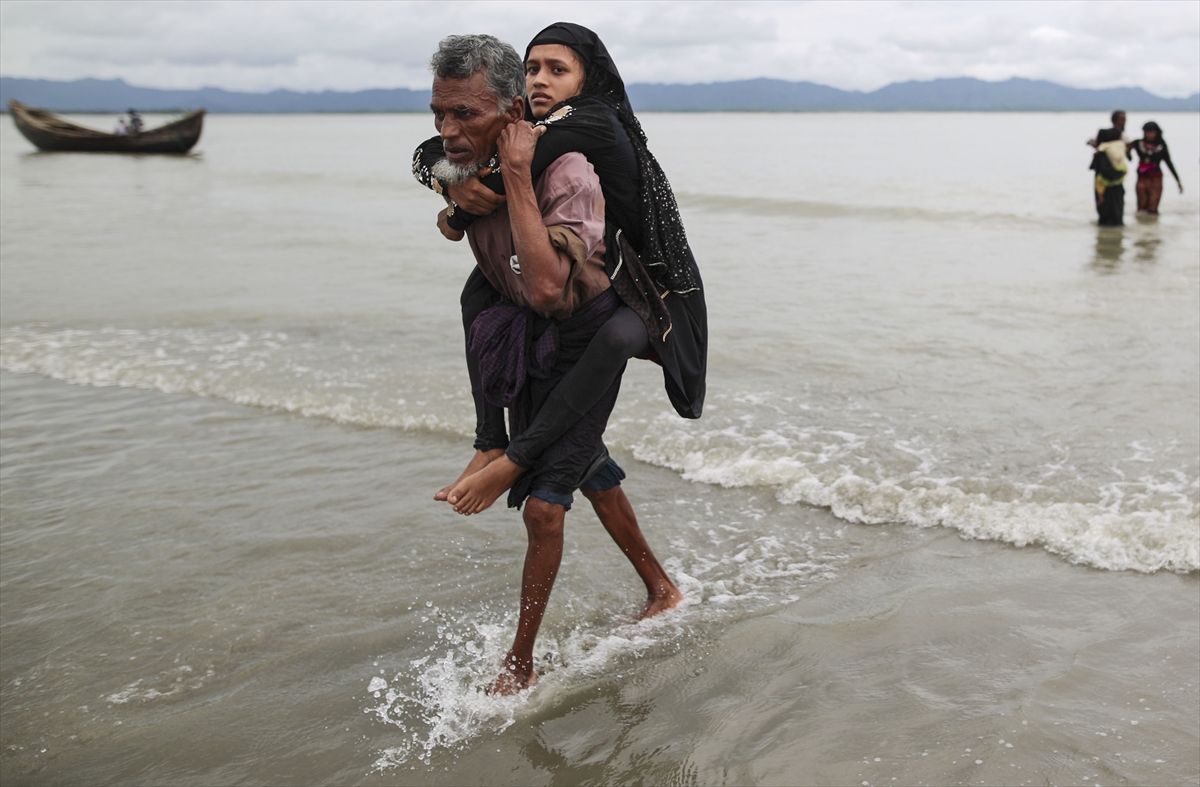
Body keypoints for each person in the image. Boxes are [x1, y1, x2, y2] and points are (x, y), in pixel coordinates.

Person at [425, 33, 682, 695]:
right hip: (531, 332)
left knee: (544, 506)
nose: (450, 130)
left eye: (465, 116)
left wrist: (512, 179)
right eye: (439, 115)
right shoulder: (463, 161)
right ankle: (662, 588)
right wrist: (452, 202)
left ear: (512, 113)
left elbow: (546, 288)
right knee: (588, 465)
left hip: (588, 332)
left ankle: (519, 663)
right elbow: (442, 181)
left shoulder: (569, 168)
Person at [413, 22, 706, 517]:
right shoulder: (531, 117)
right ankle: (490, 440)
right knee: (477, 294)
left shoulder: (592, 117)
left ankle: (511, 456)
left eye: (558, 69)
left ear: (587, 77)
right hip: (597, 265)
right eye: (531, 69)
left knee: (613, 341)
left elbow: (503, 169)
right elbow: (431, 153)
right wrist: (449, 183)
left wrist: (456, 206)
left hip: (649, 285)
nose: (540, 81)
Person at [1131, 121, 1182, 215]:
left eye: (1152, 132)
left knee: (1153, 208)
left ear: (1156, 133)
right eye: (1147, 132)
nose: (1149, 134)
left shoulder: (1161, 145)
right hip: (1142, 178)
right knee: (1141, 208)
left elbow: (1168, 163)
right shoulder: (1138, 143)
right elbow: (1123, 150)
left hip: (1156, 178)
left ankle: (1152, 226)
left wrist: (1177, 180)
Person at [1088, 111, 1130, 227]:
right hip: (1111, 187)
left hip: (1110, 186)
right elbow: (1106, 172)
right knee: (1112, 217)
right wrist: (1121, 172)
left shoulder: (1102, 154)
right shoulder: (1104, 154)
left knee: (1108, 216)